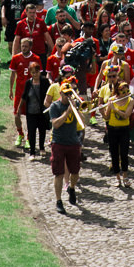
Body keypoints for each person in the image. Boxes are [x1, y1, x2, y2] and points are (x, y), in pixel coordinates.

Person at [48, 71, 88, 213]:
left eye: (70, 93)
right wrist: (67, 112)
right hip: (58, 142)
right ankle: (59, 201)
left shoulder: (75, 104)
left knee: (75, 172)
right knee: (58, 174)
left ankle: (72, 188)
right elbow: (56, 124)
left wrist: (77, 110)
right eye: (66, 94)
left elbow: (83, 123)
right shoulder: (55, 107)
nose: (68, 96)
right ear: (61, 94)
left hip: (73, 142)